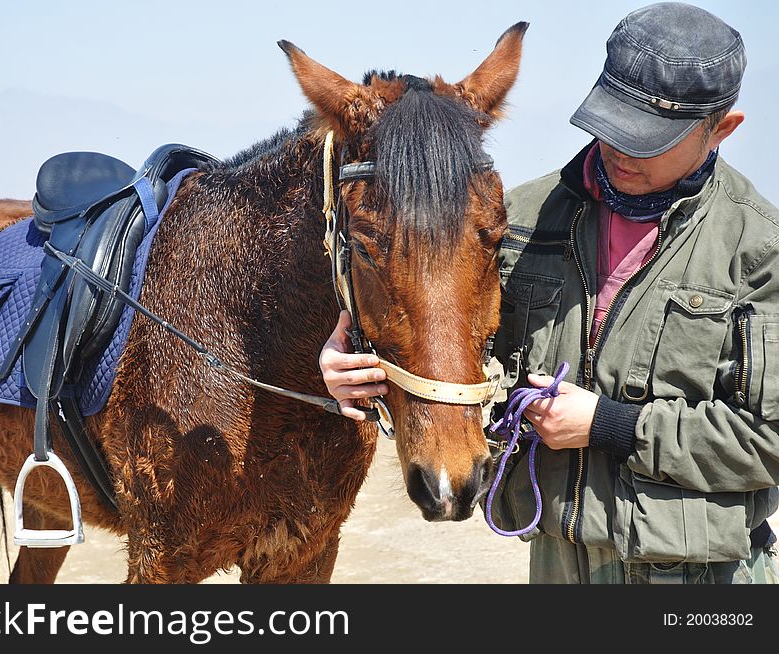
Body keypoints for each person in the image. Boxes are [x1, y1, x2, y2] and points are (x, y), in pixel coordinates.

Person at [318, 2, 779, 584]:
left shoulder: (762, 250)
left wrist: (610, 425)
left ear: (723, 129)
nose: (620, 150)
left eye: (650, 139)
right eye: (612, 123)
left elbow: (771, 437)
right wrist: (352, 367)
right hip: (557, 570)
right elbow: (453, 354)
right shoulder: (514, 221)